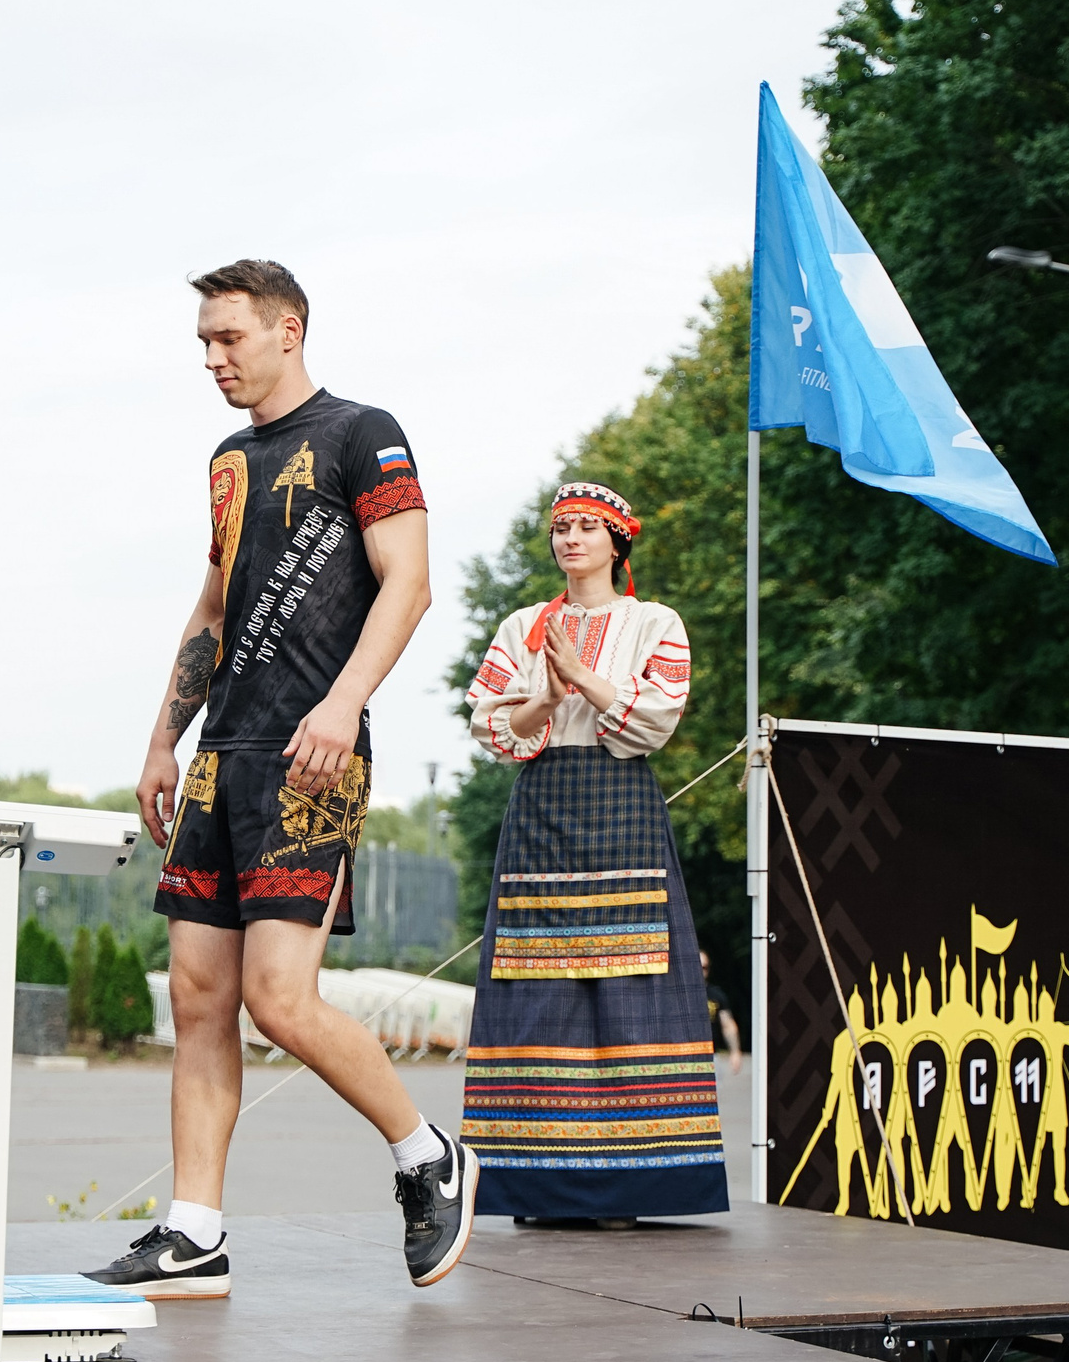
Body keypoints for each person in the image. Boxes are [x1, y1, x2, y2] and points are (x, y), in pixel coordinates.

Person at [87, 258, 470, 1300]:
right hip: (222, 760)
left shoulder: (361, 433)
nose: (213, 359)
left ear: (288, 329)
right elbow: (213, 610)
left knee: (278, 1000)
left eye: (229, 339)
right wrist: (165, 740)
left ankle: (426, 1151)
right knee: (200, 998)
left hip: (313, 757)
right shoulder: (225, 460)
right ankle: (194, 1228)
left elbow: (411, 582)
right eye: (203, 344)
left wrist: (342, 704)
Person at [458, 483, 728, 1224]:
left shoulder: (653, 622)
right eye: (563, 528)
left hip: (621, 808)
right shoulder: (523, 624)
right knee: (538, 987)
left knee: (627, 983)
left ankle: (632, 1184)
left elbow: (653, 721)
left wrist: (576, 675)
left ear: (618, 541)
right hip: (542, 807)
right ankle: (538, 1183)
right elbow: (493, 727)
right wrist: (546, 695)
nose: (572, 538)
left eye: (588, 527)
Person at [700, 948, 744, 1075]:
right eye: (697, 966)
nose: (701, 971)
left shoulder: (716, 995)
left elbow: (728, 1025)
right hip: (683, 1056)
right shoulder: (678, 995)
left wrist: (735, 1052)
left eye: (704, 967)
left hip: (711, 1055)